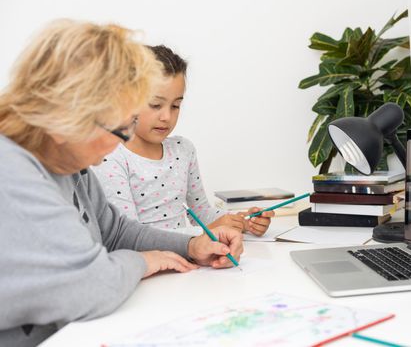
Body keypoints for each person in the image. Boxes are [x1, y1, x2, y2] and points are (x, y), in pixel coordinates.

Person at [0, 20, 243, 347]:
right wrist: (143, 261)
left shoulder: (68, 163)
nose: (122, 142)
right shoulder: (11, 173)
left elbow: (114, 232)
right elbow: (93, 287)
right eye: (118, 129)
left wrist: (189, 246)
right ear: (66, 118)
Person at [92, 45, 274, 236]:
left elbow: (202, 213)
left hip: (192, 257)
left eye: (176, 106)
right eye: (155, 105)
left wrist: (240, 222)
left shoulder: (182, 150)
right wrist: (204, 235)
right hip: (153, 260)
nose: (166, 117)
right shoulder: (111, 157)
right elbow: (128, 236)